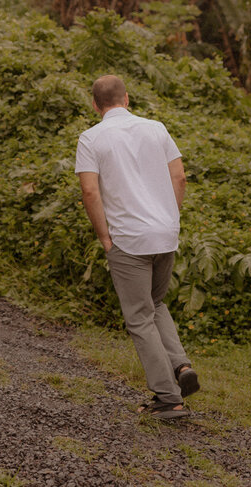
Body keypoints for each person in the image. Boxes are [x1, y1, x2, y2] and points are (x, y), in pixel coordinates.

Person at [75, 75, 198, 420]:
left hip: (128, 239)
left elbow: (90, 192)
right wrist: (169, 218)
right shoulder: (156, 128)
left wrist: (104, 237)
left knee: (139, 317)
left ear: (95, 105)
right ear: (127, 99)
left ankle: (168, 398)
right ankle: (181, 365)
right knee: (155, 303)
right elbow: (180, 177)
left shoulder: (91, 138)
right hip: (165, 234)